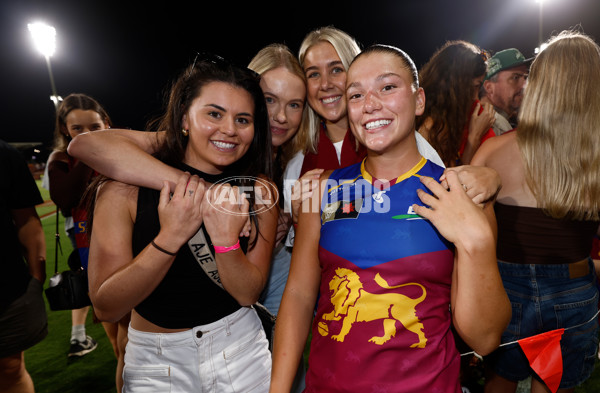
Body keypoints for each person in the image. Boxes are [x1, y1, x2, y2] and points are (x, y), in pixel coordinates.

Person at [270, 43, 511, 393]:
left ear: (419, 100)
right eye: (356, 95)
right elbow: (299, 296)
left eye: (387, 87)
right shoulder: (321, 189)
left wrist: (476, 241)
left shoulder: (457, 194)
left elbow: (485, 339)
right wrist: (279, 388)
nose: (370, 105)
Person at [87, 54, 277, 392]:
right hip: (157, 362)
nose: (229, 129)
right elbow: (106, 306)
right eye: (214, 114)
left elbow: (247, 293)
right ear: (184, 117)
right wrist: (171, 236)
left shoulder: (258, 190)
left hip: (240, 351)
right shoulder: (124, 188)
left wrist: (226, 242)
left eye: (243, 119)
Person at [471, 31, 600, 393]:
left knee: (499, 382)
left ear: (538, 84)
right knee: (554, 385)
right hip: (573, 289)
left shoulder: (494, 153)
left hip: (503, 290)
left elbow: (469, 239)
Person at [285, 26, 445, 243]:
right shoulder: (298, 164)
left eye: (336, 70)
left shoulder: (409, 146)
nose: (325, 84)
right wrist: (295, 216)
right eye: (313, 74)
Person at [45, 93, 127, 390]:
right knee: (120, 346)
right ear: (65, 130)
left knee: (129, 342)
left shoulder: (123, 150)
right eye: (77, 129)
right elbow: (66, 197)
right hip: (93, 256)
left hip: (132, 252)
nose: (86, 134)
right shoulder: (62, 159)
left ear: (106, 123)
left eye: (94, 126)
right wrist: (89, 151)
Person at [0, 139, 47, 393]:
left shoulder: (4, 154)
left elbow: (27, 220)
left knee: (11, 367)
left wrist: (36, 280)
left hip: (7, 285)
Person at [416, 40, 496, 167]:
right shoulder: (431, 127)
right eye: (474, 87)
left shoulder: (447, 119)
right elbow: (453, 183)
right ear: (455, 86)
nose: (476, 97)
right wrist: (474, 136)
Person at [480, 48, 532, 135]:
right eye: (515, 78)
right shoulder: (493, 124)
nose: (524, 85)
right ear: (489, 87)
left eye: (525, 77)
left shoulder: (500, 119)